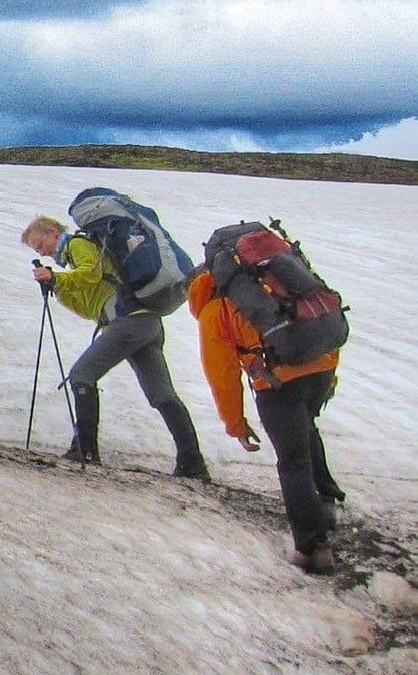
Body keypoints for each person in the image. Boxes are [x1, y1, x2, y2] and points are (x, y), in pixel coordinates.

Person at [21, 214, 208, 479]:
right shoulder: (79, 252)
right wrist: (58, 285)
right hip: (147, 323)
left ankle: (85, 450)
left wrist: (57, 278)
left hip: (128, 322)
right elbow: (92, 303)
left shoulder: (76, 244)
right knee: (161, 393)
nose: (45, 252)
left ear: (53, 232)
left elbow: (89, 274)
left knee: (81, 375)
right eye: (38, 250)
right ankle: (193, 463)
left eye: (41, 245)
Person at [187, 266, 344, 574]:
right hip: (322, 367)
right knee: (305, 426)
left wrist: (236, 425)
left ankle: (313, 548)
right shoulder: (281, 283)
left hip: (276, 382)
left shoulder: (215, 310)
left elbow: (223, 376)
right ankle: (326, 499)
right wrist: (329, 379)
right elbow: (323, 323)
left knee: (292, 461)